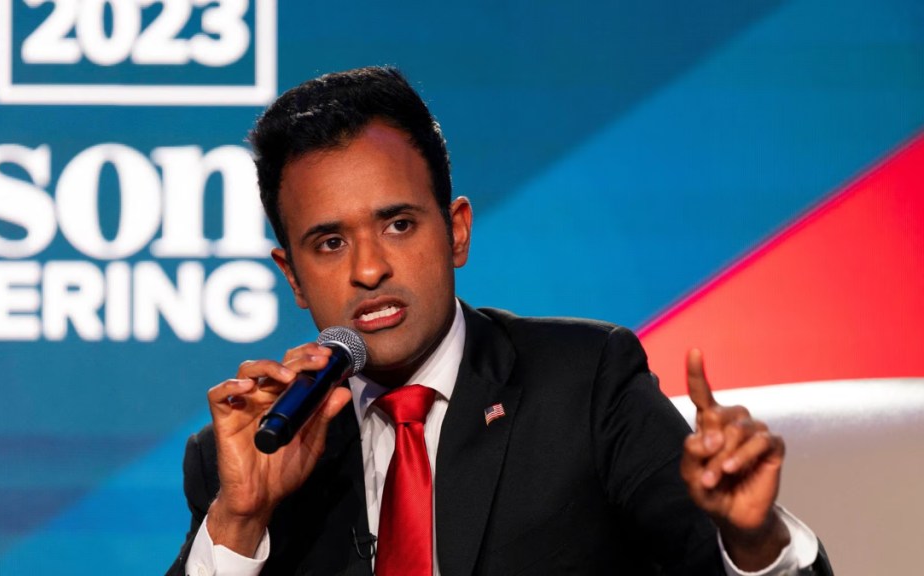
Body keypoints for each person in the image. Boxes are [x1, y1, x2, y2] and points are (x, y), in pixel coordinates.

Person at [167, 66, 832, 576]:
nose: (369, 269)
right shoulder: (251, 453)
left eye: (399, 225)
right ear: (292, 276)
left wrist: (753, 540)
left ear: (456, 231)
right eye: (331, 242)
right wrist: (240, 520)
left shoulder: (586, 385)